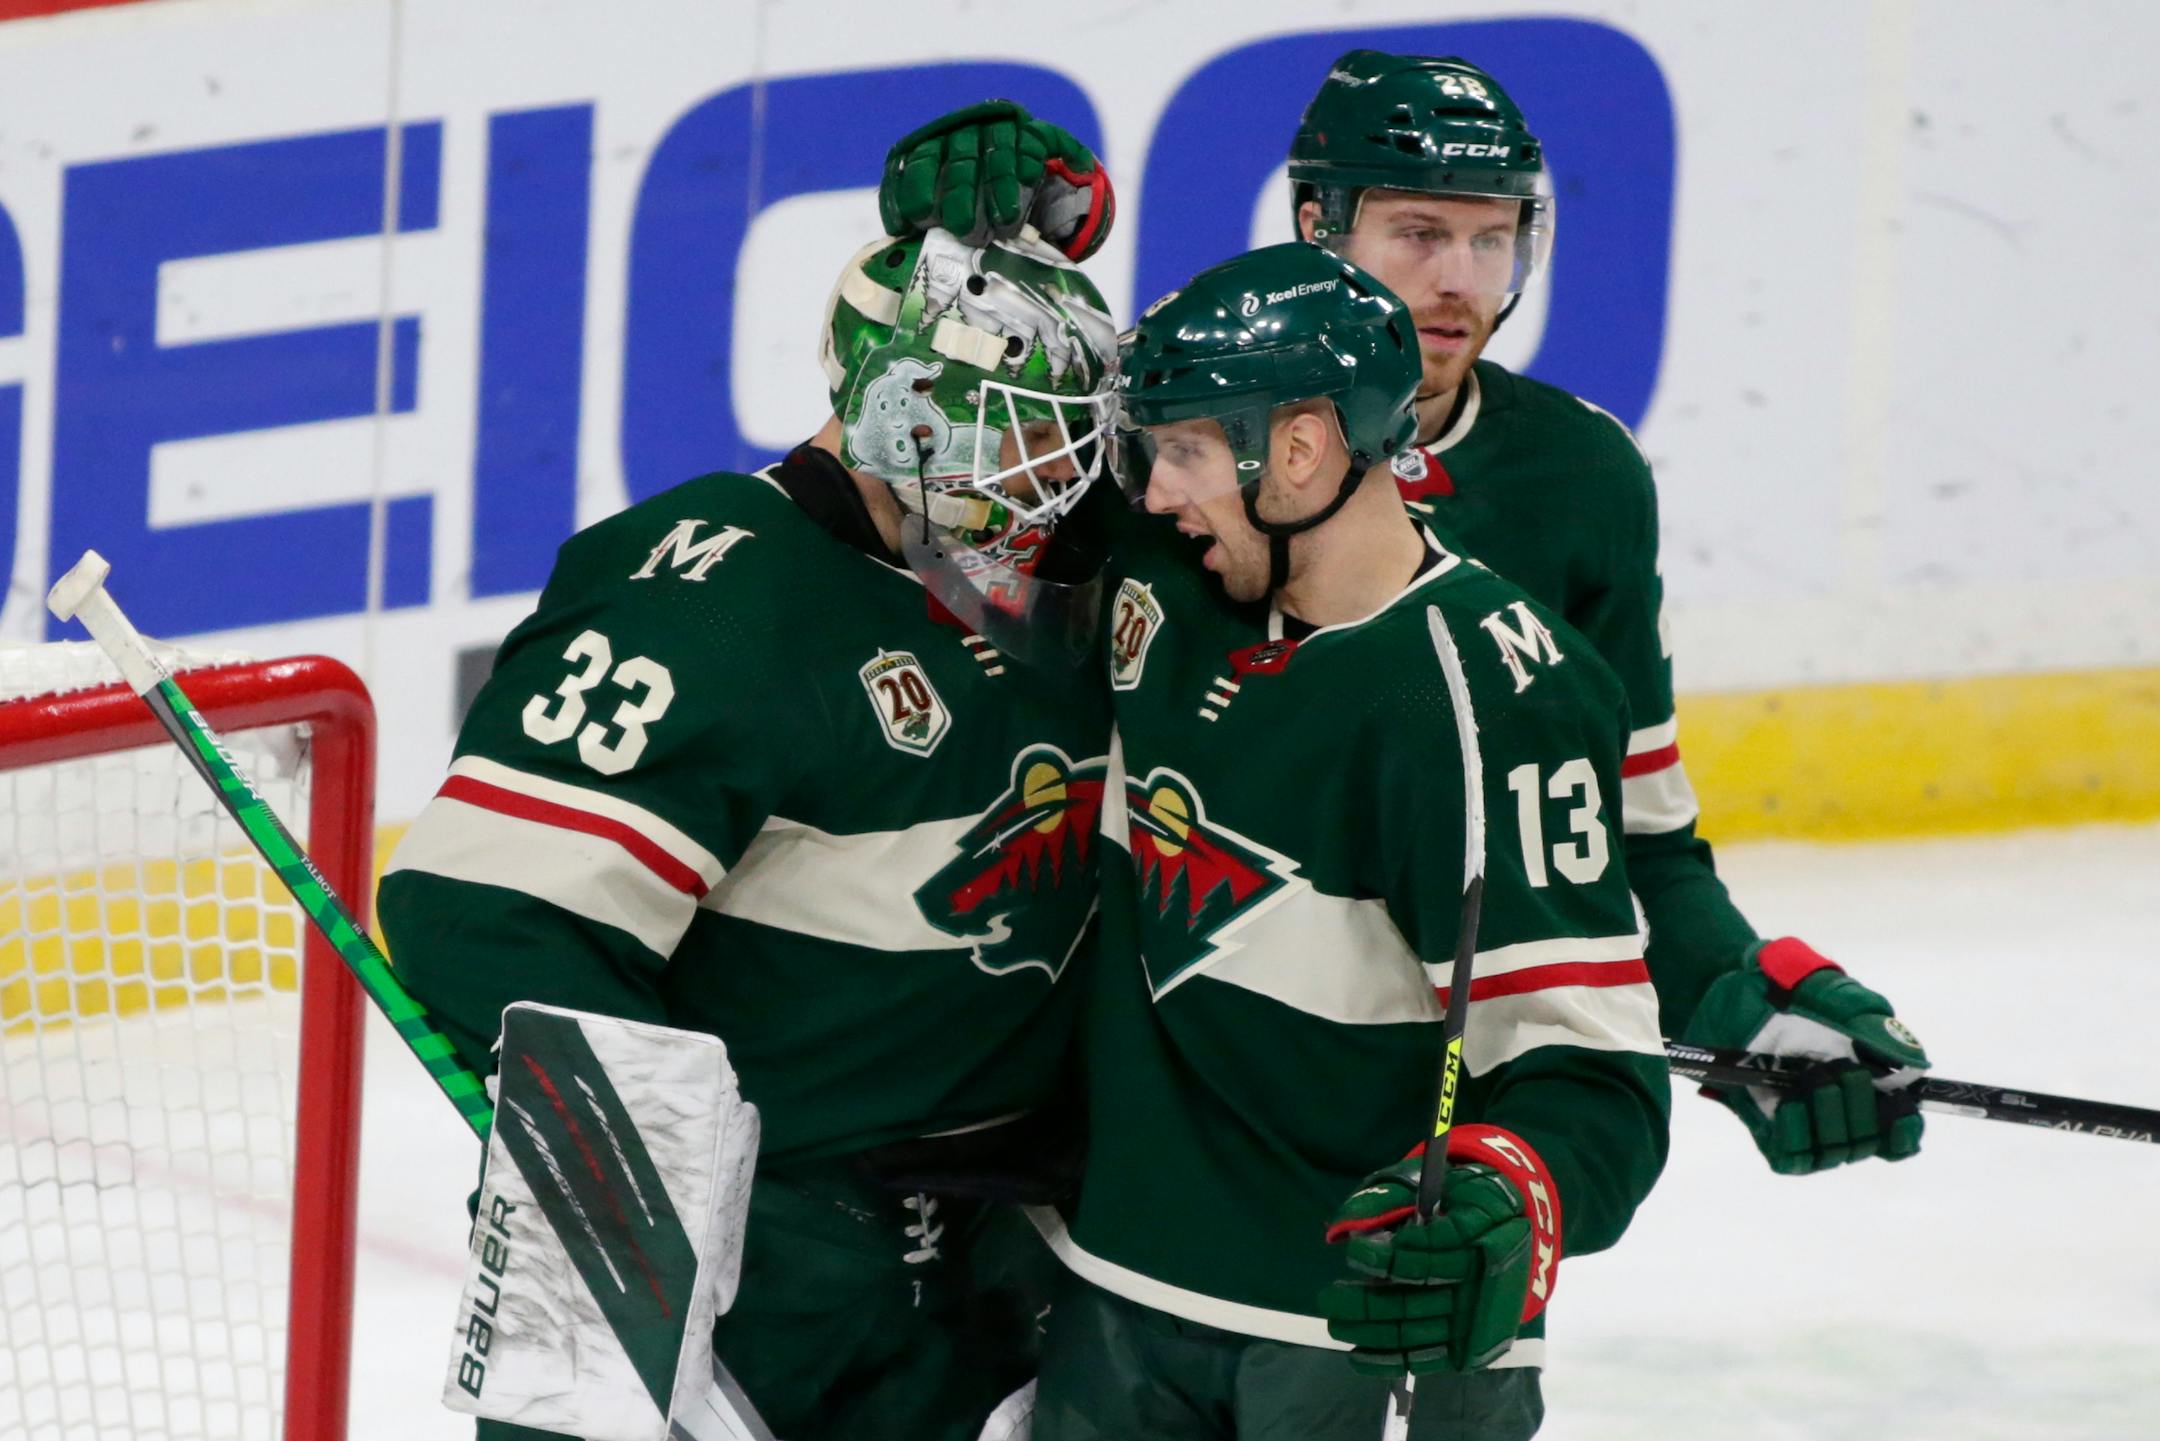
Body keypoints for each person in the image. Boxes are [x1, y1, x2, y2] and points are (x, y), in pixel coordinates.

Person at [879, 60, 1931, 1178]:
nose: (1459, 282)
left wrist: (1736, 989)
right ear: (1317, 226)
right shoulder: (1169, 425)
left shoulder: (1579, 476)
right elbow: (926, 528)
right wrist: (963, 255)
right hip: (1099, 1097)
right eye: (1419, 234)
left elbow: (1624, 835)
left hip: (1374, 1134)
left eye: (1492, 239)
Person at [377, 226, 1119, 1441]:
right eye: (1020, 429)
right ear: (906, 410)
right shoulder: (719, 596)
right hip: (749, 1269)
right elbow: (484, 911)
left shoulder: (1037, 582)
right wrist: (650, 1216)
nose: (1059, 472)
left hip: (974, 1267)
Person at [1025, 242, 1670, 1440]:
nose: (1155, 494)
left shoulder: (1486, 698)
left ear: (1302, 449)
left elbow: (1596, 1075)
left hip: (1358, 1338)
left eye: (1184, 451)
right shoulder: (1171, 577)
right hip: (1116, 1290)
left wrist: (1513, 1196)